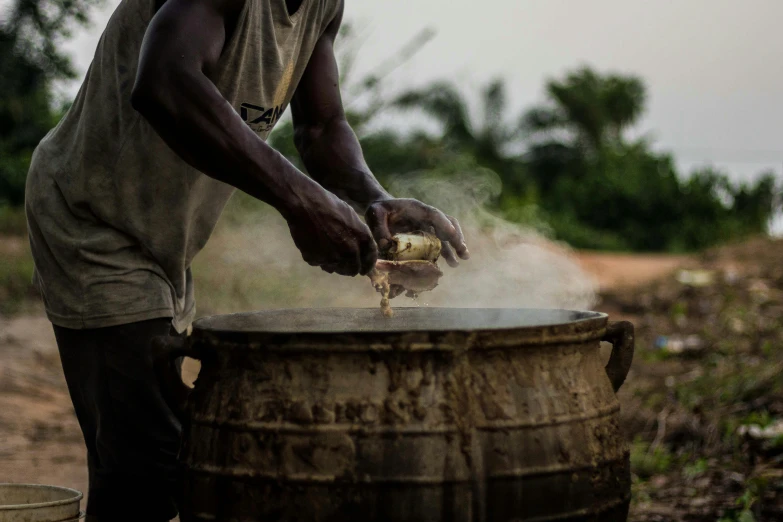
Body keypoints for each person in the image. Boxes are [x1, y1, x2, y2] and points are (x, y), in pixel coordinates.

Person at [23, 0, 470, 519]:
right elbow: (164, 80)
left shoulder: (324, 5)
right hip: (92, 220)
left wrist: (373, 197)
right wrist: (301, 201)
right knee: (156, 462)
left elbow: (323, 128)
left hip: (162, 240)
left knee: (133, 463)